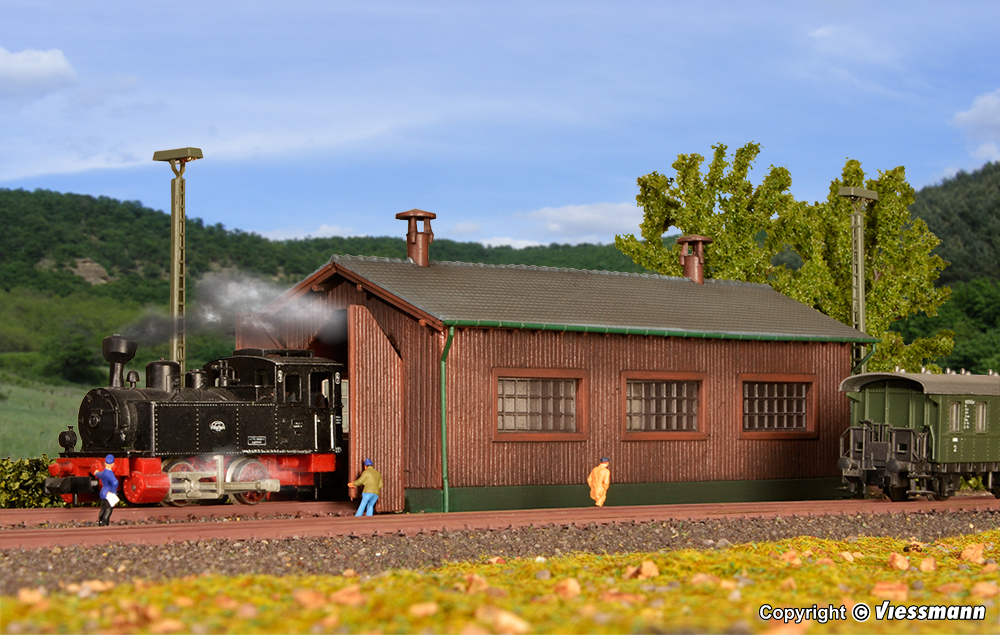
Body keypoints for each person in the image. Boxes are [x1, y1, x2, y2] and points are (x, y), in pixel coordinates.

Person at [95, 454, 119, 526]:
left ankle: (100, 521)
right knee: (108, 509)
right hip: (108, 493)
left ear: (105, 463)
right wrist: (113, 492)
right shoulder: (110, 474)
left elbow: (98, 474)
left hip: (103, 491)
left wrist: (96, 473)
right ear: (112, 464)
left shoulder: (103, 473)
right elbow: (115, 482)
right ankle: (105, 523)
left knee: (103, 508)